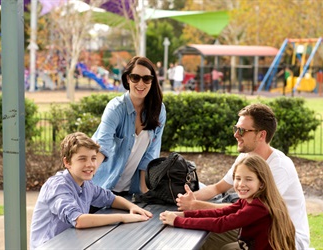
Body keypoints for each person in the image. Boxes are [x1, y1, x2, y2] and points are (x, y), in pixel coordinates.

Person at [176, 103, 310, 250]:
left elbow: (246, 211)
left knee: (207, 233)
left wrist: (195, 207)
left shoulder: (279, 167)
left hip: (283, 238)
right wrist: (187, 199)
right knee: (202, 230)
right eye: (236, 129)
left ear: (261, 135)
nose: (236, 134)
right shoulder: (246, 158)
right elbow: (216, 188)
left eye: (242, 130)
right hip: (256, 226)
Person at [30, 132, 152, 250]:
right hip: (49, 246)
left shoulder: (86, 184)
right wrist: (123, 217)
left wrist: (131, 207)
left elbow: (111, 198)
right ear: (67, 162)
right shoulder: (58, 186)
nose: (90, 164)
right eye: (82, 159)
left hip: (70, 243)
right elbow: (78, 220)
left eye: (93, 158)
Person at [160, 155, 296, 250]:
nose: (241, 184)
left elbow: (222, 223)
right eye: (237, 178)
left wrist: (178, 221)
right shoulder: (249, 200)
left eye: (248, 179)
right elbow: (220, 212)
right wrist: (184, 214)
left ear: (261, 183)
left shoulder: (259, 206)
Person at [91, 56, 166, 196]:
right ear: (127, 79)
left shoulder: (158, 110)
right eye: (135, 77)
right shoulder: (115, 108)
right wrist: (85, 178)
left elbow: (151, 155)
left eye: (146, 79)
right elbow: (102, 146)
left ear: (152, 81)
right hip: (101, 187)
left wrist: (145, 194)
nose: (141, 83)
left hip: (131, 190)